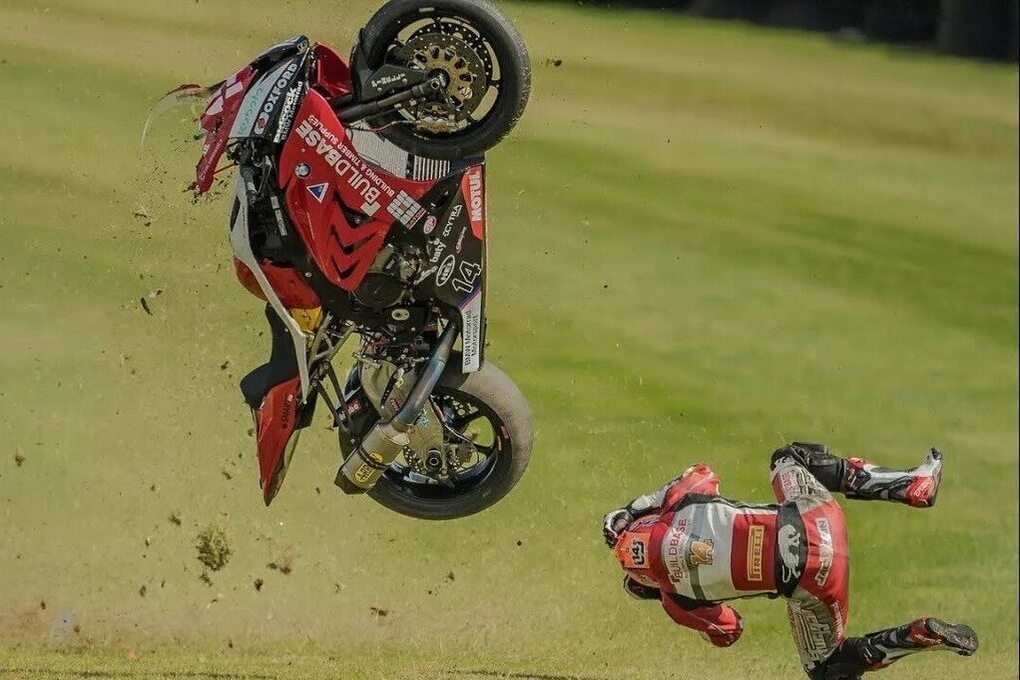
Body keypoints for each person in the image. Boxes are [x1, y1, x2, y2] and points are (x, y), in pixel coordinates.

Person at [602, 442, 978, 679]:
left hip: (818, 583)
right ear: (650, 521)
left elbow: (729, 632)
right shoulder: (683, 501)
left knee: (826, 668)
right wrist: (631, 509)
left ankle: (915, 635)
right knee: (789, 457)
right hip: (819, 517)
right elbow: (701, 472)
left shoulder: (677, 601)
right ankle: (910, 485)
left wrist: (673, 599)